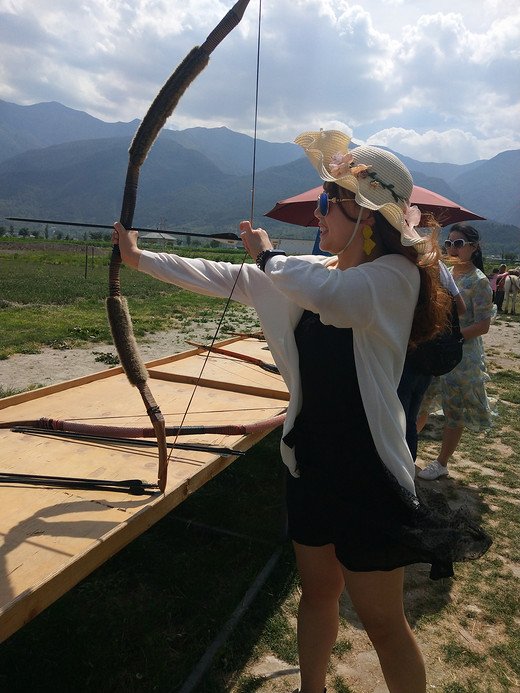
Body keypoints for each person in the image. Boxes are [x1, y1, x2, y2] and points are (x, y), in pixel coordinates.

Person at [112, 129, 491, 693]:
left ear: (364, 214)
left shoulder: (395, 278)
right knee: (317, 592)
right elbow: (224, 275)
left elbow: (329, 296)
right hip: (310, 459)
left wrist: (266, 254)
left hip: (368, 471)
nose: (317, 218)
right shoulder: (311, 274)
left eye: (324, 204)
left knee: (384, 621)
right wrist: (140, 259)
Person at [417, 223, 496, 481]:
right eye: (448, 243)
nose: (452, 248)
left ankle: (441, 462)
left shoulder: (480, 281)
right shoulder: (448, 273)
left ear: (474, 247)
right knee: (423, 400)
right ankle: (405, 448)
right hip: (440, 349)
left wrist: (455, 338)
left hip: (463, 355)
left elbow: (483, 325)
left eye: (458, 243)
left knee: (455, 410)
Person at [398, 261, 466, 460]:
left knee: (396, 422)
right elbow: (459, 307)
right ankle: (406, 477)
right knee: (409, 420)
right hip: (430, 356)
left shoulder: (403, 260)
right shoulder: (438, 264)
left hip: (408, 353)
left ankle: (398, 480)